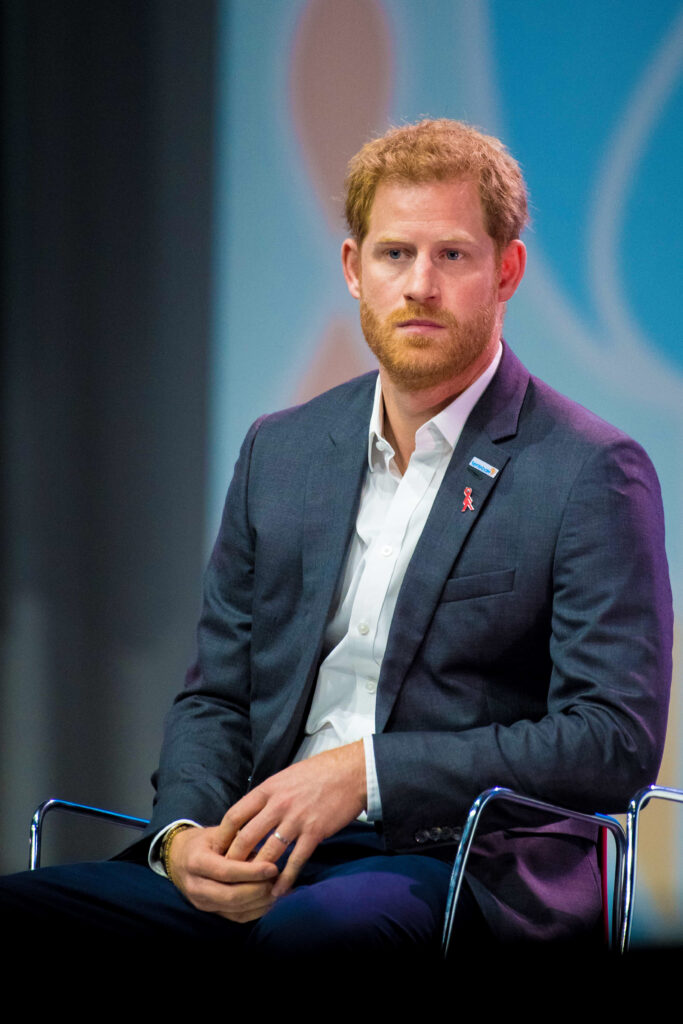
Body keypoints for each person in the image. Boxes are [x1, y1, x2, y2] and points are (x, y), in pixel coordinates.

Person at [1, 119, 672, 956]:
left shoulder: (587, 470)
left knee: (313, 936)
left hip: (458, 867)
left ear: (507, 271)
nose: (419, 285)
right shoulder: (279, 451)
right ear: (353, 270)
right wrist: (183, 838)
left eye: (452, 256)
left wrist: (366, 773)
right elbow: (218, 698)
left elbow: (611, 739)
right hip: (265, 850)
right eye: (394, 254)